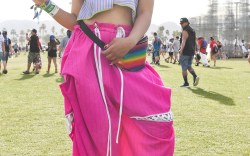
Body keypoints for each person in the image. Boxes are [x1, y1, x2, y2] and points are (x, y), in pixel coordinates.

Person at [33, 0, 174, 155]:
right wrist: (45, 4)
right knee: (96, 132)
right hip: (88, 51)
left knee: (156, 122)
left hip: (126, 51)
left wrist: (130, 41)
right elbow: (75, 20)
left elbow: (145, 12)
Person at [179, 17, 199, 87]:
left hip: (185, 51)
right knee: (188, 66)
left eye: (182, 23)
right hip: (191, 51)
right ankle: (195, 76)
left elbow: (183, 41)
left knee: (184, 68)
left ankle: (186, 83)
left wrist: (181, 51)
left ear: (187, 23)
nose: (181, 24)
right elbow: (195, 41)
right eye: (180, 23)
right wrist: (196, 50)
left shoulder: (185, 30)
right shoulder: (192, 30)